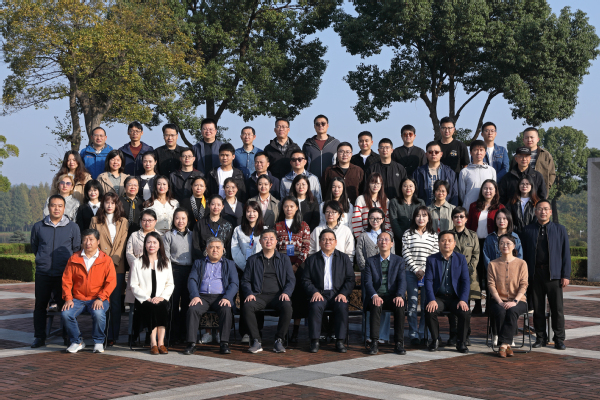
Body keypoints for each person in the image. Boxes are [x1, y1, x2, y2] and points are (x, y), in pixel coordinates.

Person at [30, 195, 81, 348]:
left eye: (60, 206)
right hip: (43, 273)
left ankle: (67, 337)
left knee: (66, 306)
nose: (56, 208)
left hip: (64, 274)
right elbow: (35, 246)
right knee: (40, 306)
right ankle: (39, 337)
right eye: (53, 205)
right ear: (48, 207)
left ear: (64, 208)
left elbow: (76, 249)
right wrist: (42, 259)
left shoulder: (73, 227)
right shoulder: (38, 226)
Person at [520, 200, 570, 350]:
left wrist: (565, 275)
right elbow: (523, 254)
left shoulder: (560, 229)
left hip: (554, 274)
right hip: (535, 274)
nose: (543, 211)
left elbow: (565, 254)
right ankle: (540, 337)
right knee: (538, 309)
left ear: (550, 212)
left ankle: (559, 339)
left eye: (546, 209)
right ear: (535, 212)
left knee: (557, 309)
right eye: (540, 209)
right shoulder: (527, 230)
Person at [61, 228, 116, 353]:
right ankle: (77, 341)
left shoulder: (106, 259)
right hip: (78, 298)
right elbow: (66, 281)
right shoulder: (74, 258)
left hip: (98, 298)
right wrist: (68, 298)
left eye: (91, 239)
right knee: (66, 314)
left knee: (98, 313)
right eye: (85, 239)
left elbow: (111, 282)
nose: (88, 243)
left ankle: (98, 342)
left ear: (98, 241)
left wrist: (101, 298)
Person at [241, 229, 295, 353]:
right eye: (265, 238)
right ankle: (256, 340)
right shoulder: (253, 260)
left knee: (287, 307)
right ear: (260, 241)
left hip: (278, 296)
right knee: (247, 306)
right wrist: (249, 293)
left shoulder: (284, 259)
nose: (268, 241)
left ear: (276, 241)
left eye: (271, 238)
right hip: (259, 295)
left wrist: (286, 293)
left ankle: (279, 340)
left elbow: (291, 280)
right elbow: (245, 280)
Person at [302, 229, 355, 353]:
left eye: (331, 239)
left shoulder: (344, 258)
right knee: (315, 306)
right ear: (319, 242)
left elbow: (350, 279)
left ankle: (340, 341)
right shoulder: (312, 259)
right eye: (324, 239)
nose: (327, 242)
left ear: (335, 242)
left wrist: (343, 293)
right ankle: (315, 341)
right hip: (320, 294)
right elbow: (305, 280)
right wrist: (314, 292)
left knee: (342, 306)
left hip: (337, 294)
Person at [183, 237, 238, 355]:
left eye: (218, 247)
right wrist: (195, 295)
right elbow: (192, 280)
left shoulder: (229, 264)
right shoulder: (199, 263)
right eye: (211, 247)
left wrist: (227, 297)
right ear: (206, 249)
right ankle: (191, 343)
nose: (215, 250)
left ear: (223, 250)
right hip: (202, 297)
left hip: (221, 297)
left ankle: (224, 343)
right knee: (193, 310)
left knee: (226, 309)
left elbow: (234, 283)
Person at [89, 192, 129, 346]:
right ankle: (101, 334)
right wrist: (104, 261)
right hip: (99, 265)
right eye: (107, 202)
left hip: (117, 266)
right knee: (101, 299)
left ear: (117, 205)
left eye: (113, 202)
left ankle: (113, 335)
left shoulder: (123, 221)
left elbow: (122, 243)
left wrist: (113, 261)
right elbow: (92, 242)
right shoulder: (95, 220)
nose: (110, 205)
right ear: (103, 204)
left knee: (116, 302)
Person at [424, 231, 472, 353]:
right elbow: (428, 281)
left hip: (455, 298)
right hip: (439, 297)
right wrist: (431, 299)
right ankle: (435, 340)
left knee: (465, 312)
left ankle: (461, 342)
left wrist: (463, 300)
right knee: (430, 310)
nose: (446, 243)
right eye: (443, 240)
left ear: (454, 243)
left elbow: (465, 281)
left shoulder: (461, 259)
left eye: (450, 240)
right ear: (439, 243)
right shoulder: (431, 259)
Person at [129, 232, 175, 355]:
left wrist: (162, 297)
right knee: (152, 308)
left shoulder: (166, 262)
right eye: (149, 242)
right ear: (145, 245)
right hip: (143, 300)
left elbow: (170, 284)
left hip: (161, 298)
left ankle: (161, 343)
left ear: (159, 245)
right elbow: (134, 285)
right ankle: (153, 343)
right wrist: (147, 298)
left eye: (155, 242)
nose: (151, 245)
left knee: (162, 307)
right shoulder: (137, 262)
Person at [363, 231, 407, 355]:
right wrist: (374, 295)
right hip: (377, 296)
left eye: (386, 239)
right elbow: (367, 282)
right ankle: (374, 342)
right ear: (377, 243)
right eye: (380, 239)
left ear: (392, 243)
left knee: (400, 306)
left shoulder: (399, 261)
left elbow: (402, 281)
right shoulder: (370, 261)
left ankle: (399, 343)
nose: (383, 242)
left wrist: (399, 295)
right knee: (375, 304)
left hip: (393, 296)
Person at [466, 179, 505, 314]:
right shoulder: (473, 206)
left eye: (490, 188)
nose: (488, 191)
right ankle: (477, 304)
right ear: (481, 190)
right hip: (476, 243)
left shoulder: (500, 207)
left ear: (495, 191)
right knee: (476, 274)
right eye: (485, 188)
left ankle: (489, 304)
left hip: (491, 244)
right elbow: (469, 225)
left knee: (490, 273)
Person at [356, 208, 394, 345]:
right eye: (372, 218)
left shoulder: (388, 235)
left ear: (383, 220)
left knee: (384, 305)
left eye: (378, 218)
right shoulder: (363, 236)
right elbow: (359, 254)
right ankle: (368, 335)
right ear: (368, 220)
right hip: (369, 277)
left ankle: (383, 335)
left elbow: (393, 256)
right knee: (369, 304)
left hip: (386, 275)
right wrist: (367, 270)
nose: (375, 221)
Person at [275, 196, 311, 343]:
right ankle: (283, 332)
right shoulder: (277, 225)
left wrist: (296, 265)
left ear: (297, 208)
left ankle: (295, 331)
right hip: (282, 267)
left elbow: (306, 247)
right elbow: (275, 248)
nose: (288, 209)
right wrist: (285, 265)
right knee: (284, 298)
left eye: (291, 206)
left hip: (299, 267)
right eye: (286, 206)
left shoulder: (304, 225)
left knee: (298, 299)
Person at [402, 206, 439, 346]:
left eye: (424, 215)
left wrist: (423, 270)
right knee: (412, 304)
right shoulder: (407, 233)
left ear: (428, 218)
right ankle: (413, 334)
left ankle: (424, 333)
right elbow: (405, 252)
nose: (421, 218)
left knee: (425, 305)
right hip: (410, 273)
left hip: (427, 274)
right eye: (418, 215)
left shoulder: (433, 235)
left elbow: (434, 254)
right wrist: (416, 269)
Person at [487, 234, 529, 357]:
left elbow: (524, 285)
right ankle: (508, 345)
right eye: (501, 243)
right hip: (498, 300)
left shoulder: (522, 263)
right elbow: (491, 285)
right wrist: (500, 301)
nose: (505, 246)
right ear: (498, 246)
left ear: (514, 246)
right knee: (500, 311)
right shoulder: (492, 264)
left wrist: (515, 301)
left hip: (519, 300)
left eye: (508, 243)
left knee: (512, 310)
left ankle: (503, 345)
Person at [448, 207, 480, 345]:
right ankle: (453, 334)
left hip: (468, 275)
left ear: (466, 219)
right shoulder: (448, 235)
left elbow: (476, 255)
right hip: (451, 276)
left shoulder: (473, 235)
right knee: (452, 307)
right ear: (452, 219)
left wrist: (467, 270)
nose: (459, 219)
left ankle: (465, 335)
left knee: (465, 307)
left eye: (461, 216)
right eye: (456, 217)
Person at [163, 208, 194, 344]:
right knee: (173, 304)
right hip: (174, 270)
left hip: (190, 270)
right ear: (173, 220)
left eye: (183, 218)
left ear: (187, 220)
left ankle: (185, 334)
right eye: (177, 218)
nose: (180, 221)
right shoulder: (168, 235)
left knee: (187, 303)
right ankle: (172, 335)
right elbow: (166, 256)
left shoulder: (193, 235)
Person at [414, 141, 458, 206]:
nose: (433, 154)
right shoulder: (418, 172)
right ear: (426, 154)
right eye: (430, 152)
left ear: (441, 154)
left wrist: (452, 210)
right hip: (425, 208)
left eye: (436, 152)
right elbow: (414, 194)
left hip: (445, 209)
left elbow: (454, 195)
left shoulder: (449, 172)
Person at [192, 195, 234, 260]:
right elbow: (196, 245)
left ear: (222, 207)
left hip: (222, 261)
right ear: (208, 205)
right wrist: (203, 260)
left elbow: (229, 247)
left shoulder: (228, 225)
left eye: (219, 205)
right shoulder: (200, 224)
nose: (216, 207)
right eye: (213, 204)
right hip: (203, 260)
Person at [352, 172, 391, 239]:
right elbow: (356, 220)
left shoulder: (386, 201)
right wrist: (361, 238)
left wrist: (387, 236)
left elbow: (388, 221)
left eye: (378, 183)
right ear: (368, 184)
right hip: (366, 236)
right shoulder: (361, 199)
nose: (375, 186)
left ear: (381, 185)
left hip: (382, 238)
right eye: (373, 183)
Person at [459, 140, 497, 209]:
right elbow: (462, 194)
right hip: (468, 208)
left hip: (487, 209)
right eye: (475, 150)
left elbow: (493, 191)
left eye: (481, 150)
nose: (478, 153)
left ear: (485, 152)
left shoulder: (491, 170)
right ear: (471, 153)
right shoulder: (464, 171)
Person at [390, 177, 425, 247]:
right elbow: (394, 221)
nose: (408, 188)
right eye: (405, 186)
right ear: (401, 188)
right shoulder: (394, 202)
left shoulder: (420, 202)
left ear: (414, 188)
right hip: (399, 241)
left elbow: (424, 220)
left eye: (411, 186)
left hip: (417, 240)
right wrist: (403, 238)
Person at [520, 127, 556, 195]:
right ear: (523, 140)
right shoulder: (518, 156)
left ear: (537, 139)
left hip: (539, 192)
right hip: (521, 192)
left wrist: (545, 186)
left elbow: (552, 173)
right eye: (527, 137)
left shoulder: (545, 155)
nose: (529, 140)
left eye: (532, 137)